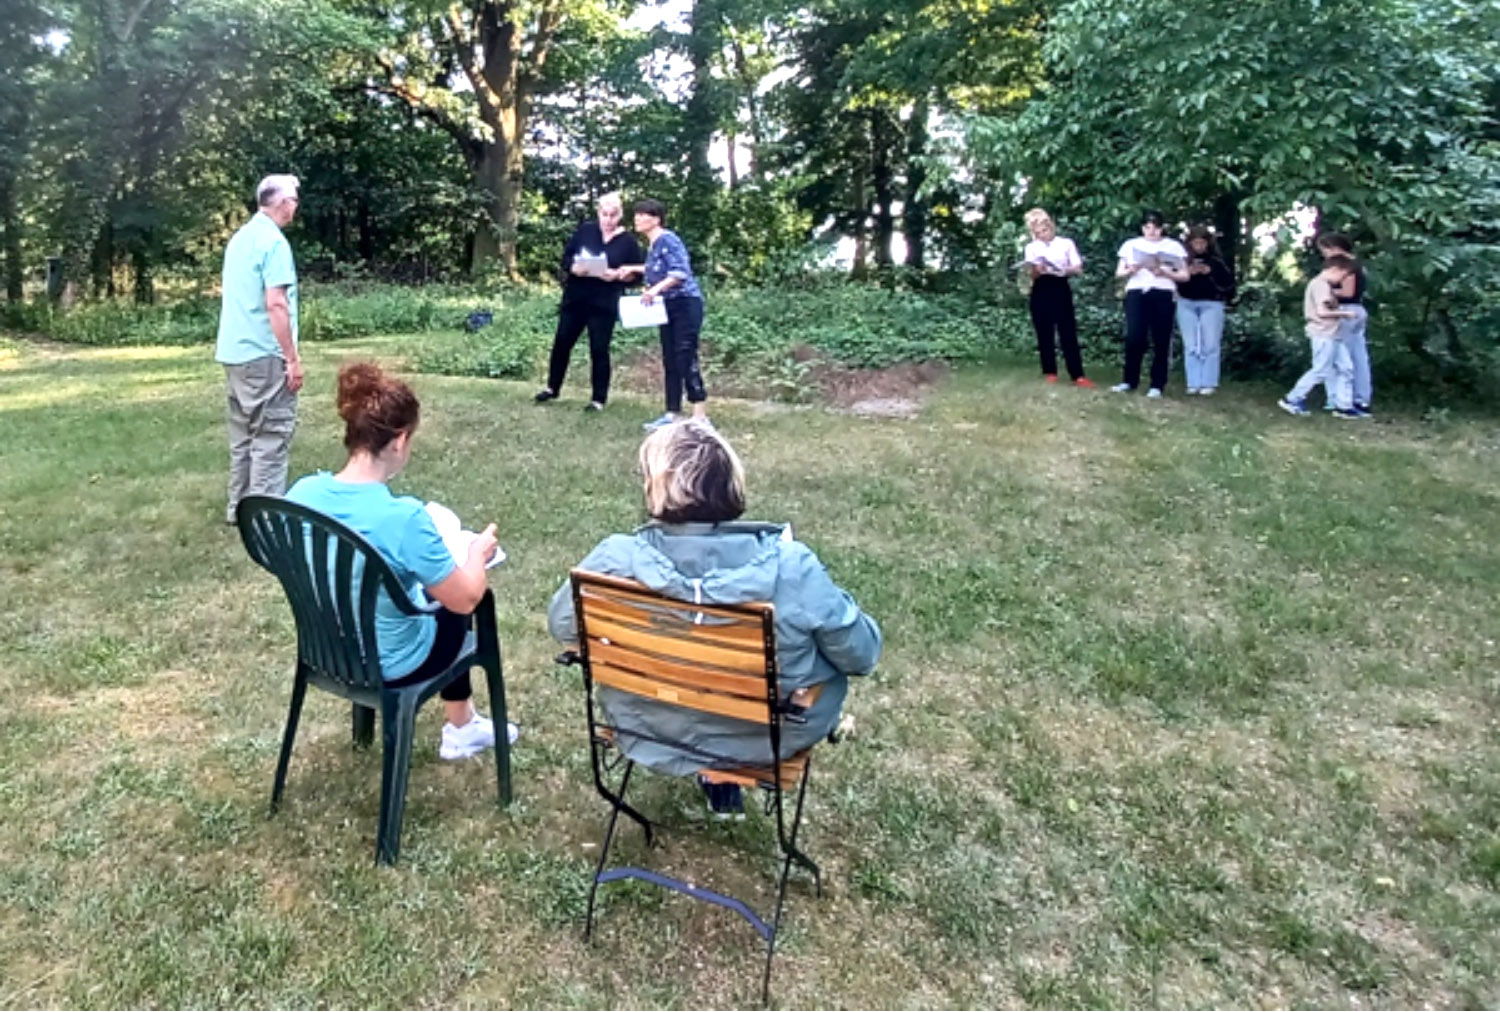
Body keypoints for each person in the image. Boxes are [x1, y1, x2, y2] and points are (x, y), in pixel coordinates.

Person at [547, 422, 882, 818]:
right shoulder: (792, 567)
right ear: (730, 483)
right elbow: (860, 656)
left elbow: (562, 626)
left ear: (656, 486)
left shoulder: (616, 559)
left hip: (647, 724)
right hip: (764, 739)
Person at [286, 362, 516, 759]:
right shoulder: (404, 519)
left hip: (325, 648)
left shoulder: (302, 493)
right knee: (459, 600)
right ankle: (461, 727)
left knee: (430, 589)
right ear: (399, 440)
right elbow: (464, 599)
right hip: (393, 661)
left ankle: (461, 726)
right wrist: (478, 552)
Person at [216, 174, 304, 525]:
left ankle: (239, 508)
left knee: (243, 437)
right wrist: (292, 359)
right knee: (271, 435)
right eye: (294, 200)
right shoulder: (274, 243)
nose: (296, 206)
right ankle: (265, 520)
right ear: (283, 203)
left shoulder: (240, 239)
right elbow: (276, 305)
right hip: (264, 354)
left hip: (234, 352)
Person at [534, 192, 643, 412]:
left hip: (604, 303)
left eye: (613, 215)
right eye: (604, 214)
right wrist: (575, 268)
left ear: (620, 215)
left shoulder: (628, 242)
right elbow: (567, 258)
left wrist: (619, 275)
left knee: (599, 349)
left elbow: (637, 274)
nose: (608, 219)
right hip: (576, 297)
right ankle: (552, 387)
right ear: (598, 213)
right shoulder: (586, 231)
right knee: (562, 343)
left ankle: (598, 399)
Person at [621, 198, 709, 431]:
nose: (637, 219)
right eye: (636, 214)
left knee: (685, 355)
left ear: (656, 219)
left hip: (685, 304)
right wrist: (633, 268)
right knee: (670, 359)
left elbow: (680, 272)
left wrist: (654, 290)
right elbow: (655, 269)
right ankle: (672, 414)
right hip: (666, 306)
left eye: (643, 215)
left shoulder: (668, 239)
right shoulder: (653, 245)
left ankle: (700, 415)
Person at [1111, 210, 1190, 399]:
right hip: (1137, 291)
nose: (1151, 232)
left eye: (1155, 228)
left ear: (1162, 228)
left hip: (1163, 291)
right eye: (1147, 227)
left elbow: (1185, 275)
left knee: (1161, 338)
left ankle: (1157, 384)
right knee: (1135, 336)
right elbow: (1119, 273)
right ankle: (1129, 380)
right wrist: (1131, 269)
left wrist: (1165, 272)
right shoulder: (1131, 245)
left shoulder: (1173, 246)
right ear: (1142, 228)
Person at [1278, 255, 1363, 419]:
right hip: (1323, 333)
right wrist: (1345, 313)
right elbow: (1322, 312)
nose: (1342, 280)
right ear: (1334, 270)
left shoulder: (1325, 286)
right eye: (1342, 276)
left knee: (1346, 368)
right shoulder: (1320, 285)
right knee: (1321, 370)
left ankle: (1343, 405)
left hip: (1334, 333)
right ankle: (1292, 399)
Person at [1021, 208, 1094, 387]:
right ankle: (1050, 371)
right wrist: (1036, 270)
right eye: (1037, 232)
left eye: (1044, 230)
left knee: (1067, 330)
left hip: (1060, 285)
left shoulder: (1065, 243)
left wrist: (1063, 269)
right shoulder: (1031, 247)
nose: (1041, 235)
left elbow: (1078, 267)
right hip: (1041, 287)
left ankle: (1077, 374)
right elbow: (1030, 274)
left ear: (1050, 226)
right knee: (1044, 331)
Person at [1315, 232, 1373, 416]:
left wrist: (1323, 291)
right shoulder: (1359, 265)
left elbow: (1348, 292)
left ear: (1334, 248)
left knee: (1340, 357)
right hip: (1357, 311)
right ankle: (1361, 398)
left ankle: (1340, 399)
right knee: (1358, 356)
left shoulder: (1347, 266)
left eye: (1325, 250)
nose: (1324, 255)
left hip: (1345, 311)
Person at [1176, 225, 1235, 396]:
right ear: (1190, 243)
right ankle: (1193, 382)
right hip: (1186, 303)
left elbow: (1229, 285)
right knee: (1191, 344)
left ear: (1208, 243)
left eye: (1202, 243)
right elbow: (1174, 281)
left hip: (1212, 303)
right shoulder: (1182, 260)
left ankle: (1209, 382)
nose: (1199, 247)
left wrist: (1210, 272)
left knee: (1210, 344)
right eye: (1196, 243)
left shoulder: (1217, 261)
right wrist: (1188, 273)